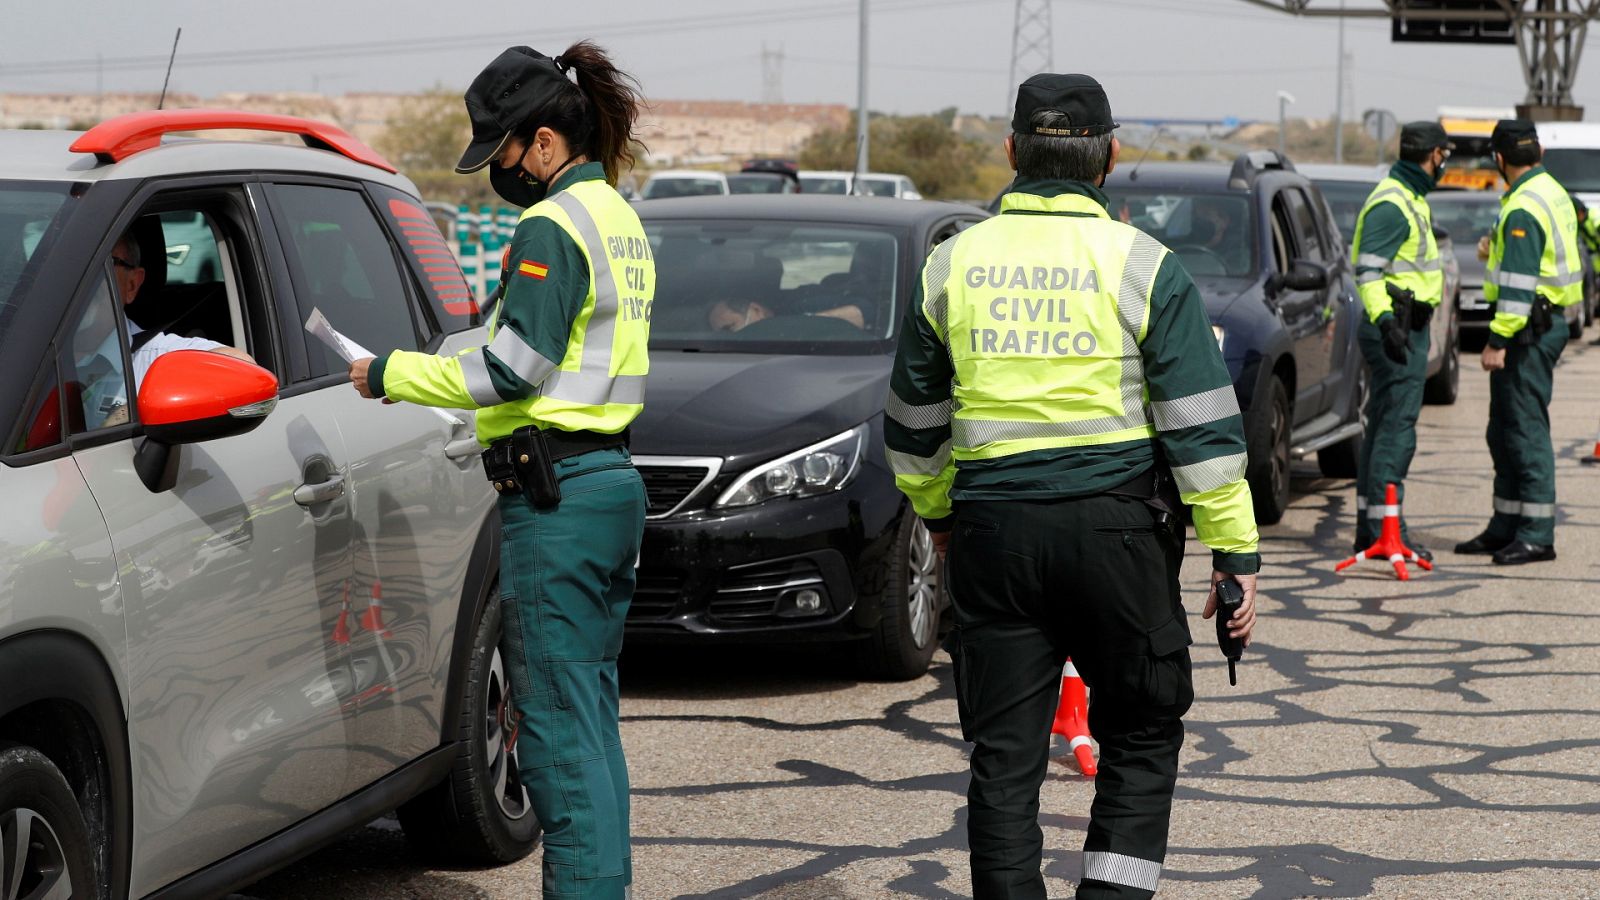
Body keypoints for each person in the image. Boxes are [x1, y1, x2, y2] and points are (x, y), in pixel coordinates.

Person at [884, 73, 1260, 899]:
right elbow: (1201, 429)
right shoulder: (1144, 265)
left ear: (1012, 152)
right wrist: (1235, 552)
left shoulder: (951, 264)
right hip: (1118, 538)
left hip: (993, 535)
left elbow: (912, 430)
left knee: (1005, 760)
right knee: (1142, 730)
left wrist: (941, 518)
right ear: (1111, 158)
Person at [348, 42, 651, 899]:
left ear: (546, 143)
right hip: (606, 487)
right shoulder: (619, 218)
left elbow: (511, 371)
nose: (502, 172)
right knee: (588, 723)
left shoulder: (552, 227)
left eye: (505, 152)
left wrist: (391, 374)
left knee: (552, 731)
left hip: (556, 501)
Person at [1454, 119, 1581, 565]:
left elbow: (1519, 287)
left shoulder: (1524, 205)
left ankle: (1536, 534)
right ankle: (1505, 525)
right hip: (1541, 325)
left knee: (1524, 432)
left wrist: (1496, 340)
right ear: (1540, 153)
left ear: (1499, 159)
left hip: (1527, 332)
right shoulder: (1550, 192)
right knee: (1504, 429)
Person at [1347, 122, 1453, 559]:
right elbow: (1368, 272)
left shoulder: (1409, 197)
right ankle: (1386, 530)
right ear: (1432, 155)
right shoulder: (1393, 203)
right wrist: (1388, 322)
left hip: (1405, 327)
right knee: (1396, 432)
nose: (1445, 163)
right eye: (1444, 155)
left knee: (1385, 427)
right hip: (1396, 331)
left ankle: (1372, 525)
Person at [707, 296, 865, 331]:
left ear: (756, 310)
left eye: (730, 327)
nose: (729, 336)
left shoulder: (806, 301)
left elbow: (863, 312)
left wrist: (795, 325)